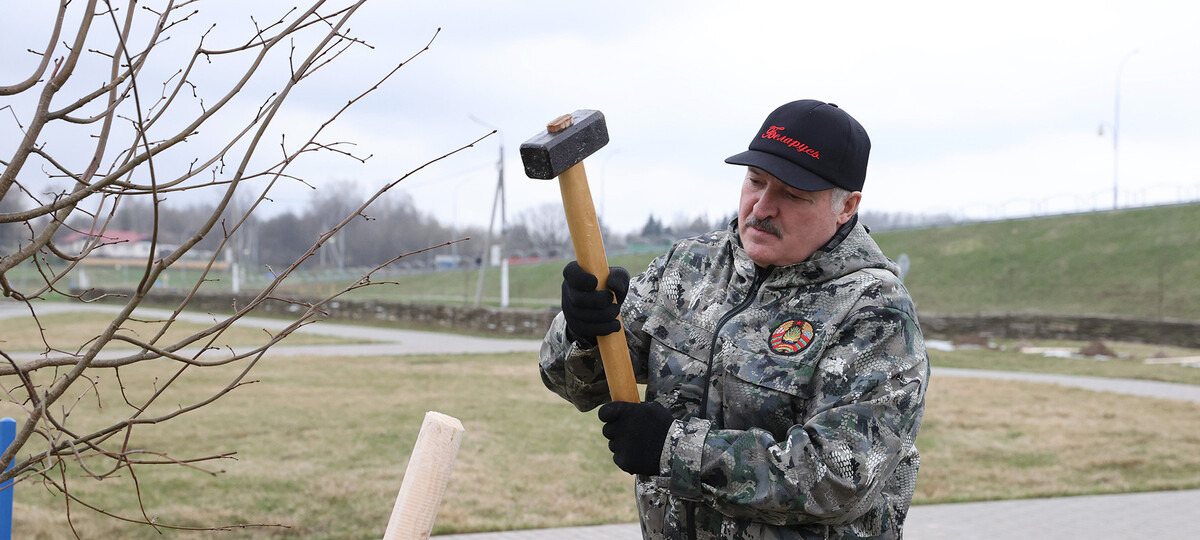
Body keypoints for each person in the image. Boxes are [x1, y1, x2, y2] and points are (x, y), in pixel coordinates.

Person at [539, 99, 929, 540]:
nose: (762, 207)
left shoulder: (874, 310)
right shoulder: (690, 266)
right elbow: (574, 385)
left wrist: (675, 449)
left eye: (792, 195)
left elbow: (841, 480)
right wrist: (581, 332)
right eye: (755, 181)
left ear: (847, 206)